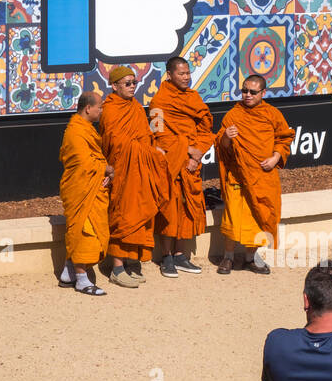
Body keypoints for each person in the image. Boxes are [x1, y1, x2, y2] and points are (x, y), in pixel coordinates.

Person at [216, 74, 293, 275]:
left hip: (262, 175)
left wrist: (276, 157)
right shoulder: (233, 115)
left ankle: (251, 257)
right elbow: (221, 148)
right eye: (244, 91)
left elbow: (284, 138)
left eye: (252, 92)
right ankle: (228, 257)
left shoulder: (272, 114)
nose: (247, 95)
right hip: (239, 176)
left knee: (260, 216)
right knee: (233, 217)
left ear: (263, 93)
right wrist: (225, 137)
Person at [100, 66, 169, 289]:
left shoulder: (137, 108)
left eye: (134, 83)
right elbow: (118, 144)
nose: (132, 87)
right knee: (124, 217)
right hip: (123, 172)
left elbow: (146, 136)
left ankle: (131, 262)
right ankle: (117, 268)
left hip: (141, 171)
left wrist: (152, 150)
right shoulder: (110, 109)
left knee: (140, 214)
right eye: (127, 83)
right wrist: (150, 152)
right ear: (114, 85)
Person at [149, 57, 211, 277]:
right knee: (169, 209)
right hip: (171, 163)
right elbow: (159, 135)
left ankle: (180, 255)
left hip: (191, 164)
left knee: (187, 208)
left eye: (188, 73)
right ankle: (166, 257)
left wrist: (197, 154)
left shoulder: (194, 98)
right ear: (169, 75)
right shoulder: (158, 101)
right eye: (181, 74)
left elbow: (206, 128)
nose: (186, 77)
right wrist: (187, 150)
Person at [57, 91, 111, 296]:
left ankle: (68, 272)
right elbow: (82, 163)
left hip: (91, 186)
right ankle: (81, 278)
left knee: (85, 229)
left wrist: (104, 171)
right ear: (88, 108)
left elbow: (93, 160)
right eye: (100, 107)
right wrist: (106, 169)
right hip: (80, 188)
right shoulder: (75, 131)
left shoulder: (86, 129)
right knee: (85, 231)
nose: (101, 111)